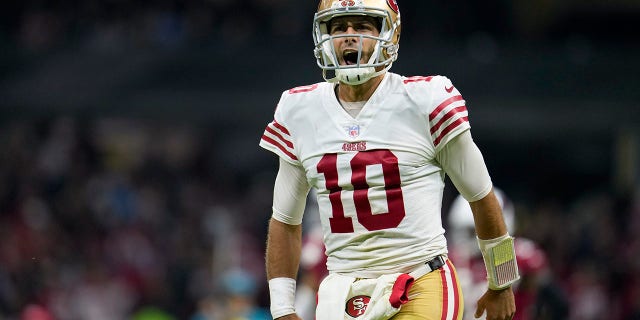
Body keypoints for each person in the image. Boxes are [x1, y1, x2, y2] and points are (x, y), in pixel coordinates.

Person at [258, 1, 520, 319]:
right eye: (339, 28)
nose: (349, 37)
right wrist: (282, 308)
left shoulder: (425, 100)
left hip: (421, 281)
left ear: (390, 34)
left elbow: (480, 196)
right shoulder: (299, 110)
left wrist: (502, 281)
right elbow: (285, 221)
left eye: (363, 26)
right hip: (342, 291)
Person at [448, 189, 569, 320]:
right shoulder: (456, 259)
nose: (466, 238)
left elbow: (557, 302)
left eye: (472, 231)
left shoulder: (515, 255)